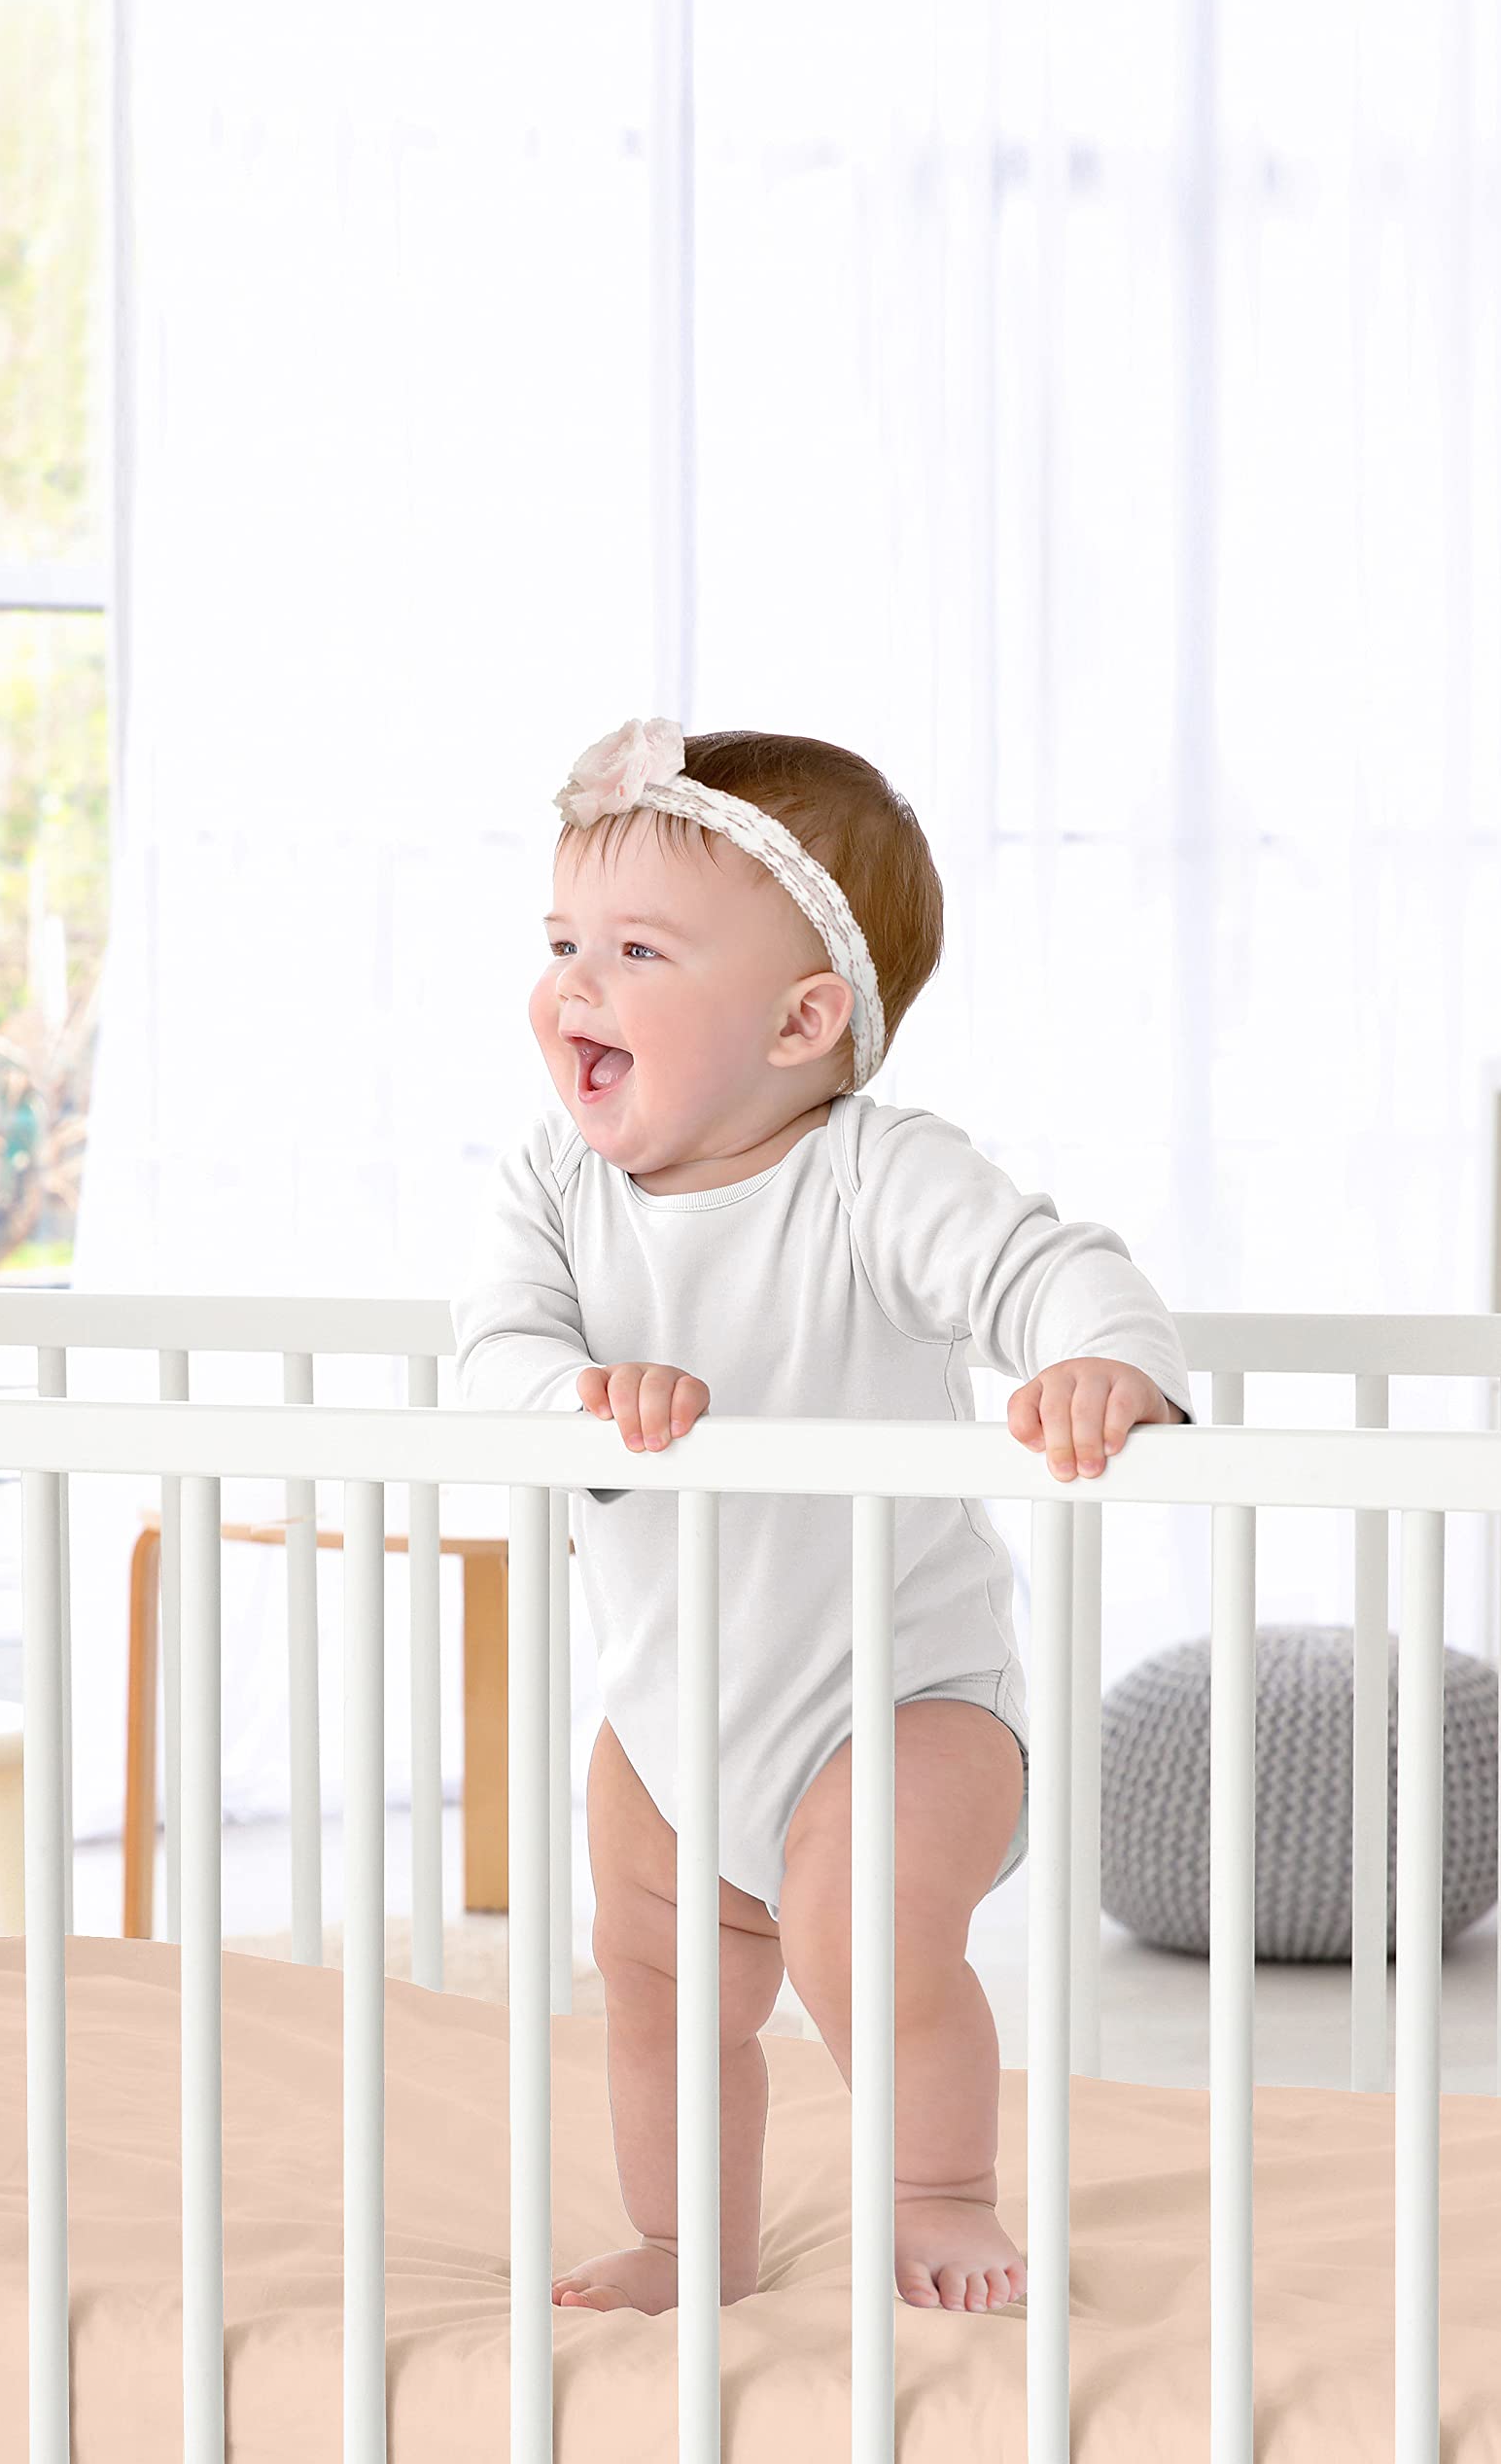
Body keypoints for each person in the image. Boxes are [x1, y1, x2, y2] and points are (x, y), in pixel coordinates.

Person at [451, 719, 1192, 2318]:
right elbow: (492, 1357)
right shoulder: (551, 1190)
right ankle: (686, 2239)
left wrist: (1099, 1362)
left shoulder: (875, 1177)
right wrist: (575, 1397)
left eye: (637, 951)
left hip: (901, 1702)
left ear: (803, 1019)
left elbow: (1050, 1267)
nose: (576, 986)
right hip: (670, 1709)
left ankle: (935, 2191)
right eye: (564, 944)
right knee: (652, 1982)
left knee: (863, 1932)